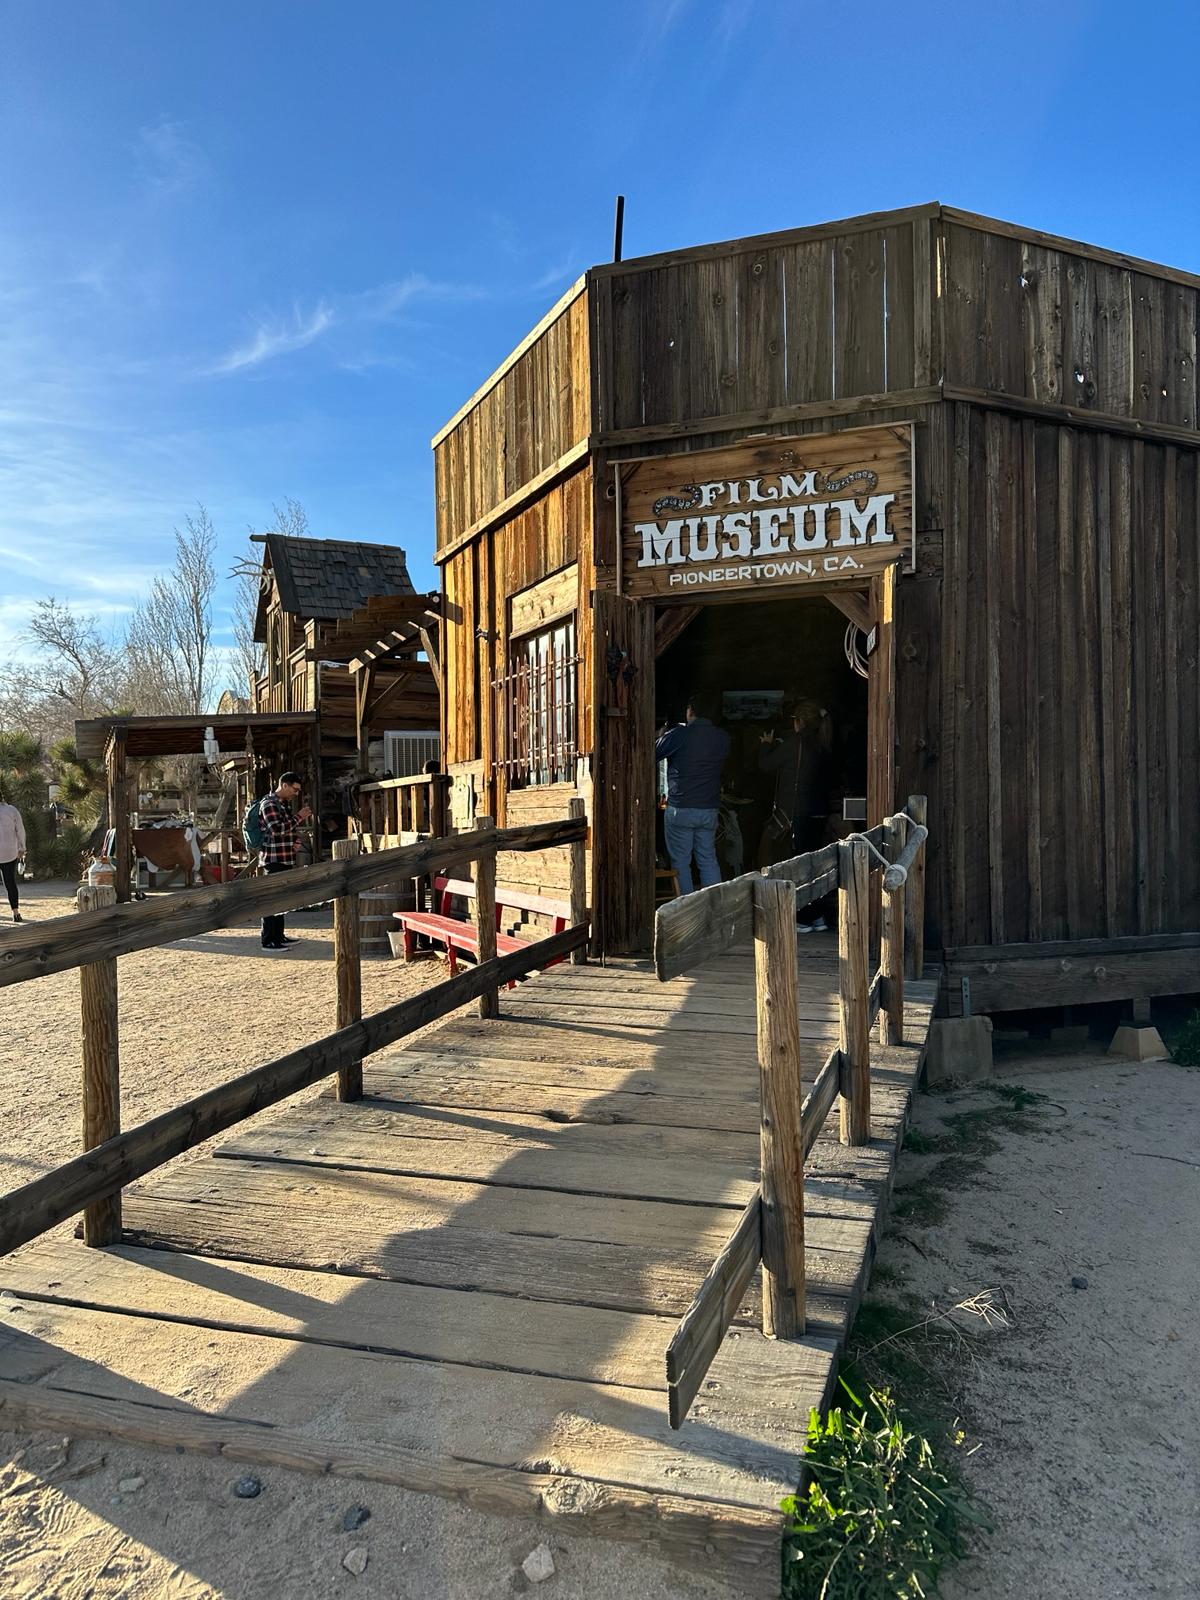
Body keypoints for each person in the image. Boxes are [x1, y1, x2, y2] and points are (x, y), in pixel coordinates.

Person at [758, 698, 834, 928]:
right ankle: (818, 915)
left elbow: (766, 765)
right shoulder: (825, 743)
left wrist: (766, 744)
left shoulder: (794, 743)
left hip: (797, 815)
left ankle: (801, 917)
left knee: (796, 867)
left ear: (799, 722)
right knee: (815, 866)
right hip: (819, 814)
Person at [655, 692, 730, 895]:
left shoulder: (680, 735)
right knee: (707, 858)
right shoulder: (722, 738)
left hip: (681, 807)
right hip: (709, 808)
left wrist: (662, 734)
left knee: (681, 861)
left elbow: (652, 752)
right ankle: (714, 904)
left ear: (690, 712)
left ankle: (687, 909)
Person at [258, 771, 312, 950]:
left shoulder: (284, 804)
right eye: (295, 790)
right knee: (271, 900)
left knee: (281, 900)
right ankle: (268, 940)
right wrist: (300, 817)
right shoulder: (268, 803)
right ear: (285, 785)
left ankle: (278, 936)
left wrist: (295, 841)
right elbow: (277, 829)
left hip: (286, 856)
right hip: (273, 858)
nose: (296, 793)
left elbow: (288, 828)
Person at [0, 798, 26, 924]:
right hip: (9, 852)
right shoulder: (11, 810)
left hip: (8, 852)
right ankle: (16, 913)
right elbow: (20, 830)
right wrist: (22, 848)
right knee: (10, 883)